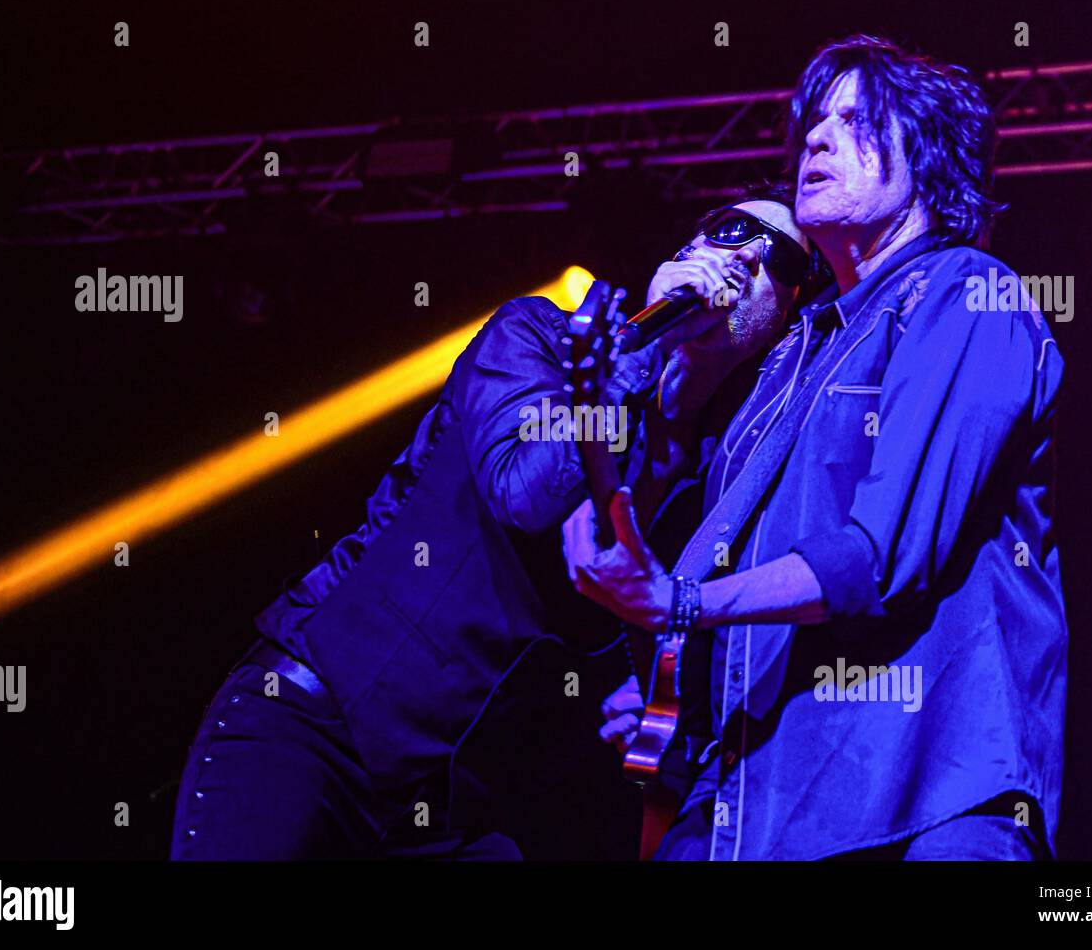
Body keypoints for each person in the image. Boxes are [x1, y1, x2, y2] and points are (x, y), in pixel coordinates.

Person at [169, 188, 819, 859]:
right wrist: (640, 353)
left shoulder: (716, 481)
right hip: (314, 727)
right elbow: (523, 493)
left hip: (446, 802)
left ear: (788, 312)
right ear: (686, 253)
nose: (746, 255)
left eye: (783, 259)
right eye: (733, 229)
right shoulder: (537, 336)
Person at [568, 34, 1067, 861]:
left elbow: (876, 555)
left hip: (920, 800)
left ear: (928, 159)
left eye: (857, 119)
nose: (818, 140)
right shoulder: (789, 361)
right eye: (813, 124)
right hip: (752, 808)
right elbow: (729, 563)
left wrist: (683, 605)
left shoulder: (964, 293)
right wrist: (675, 675)